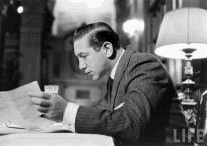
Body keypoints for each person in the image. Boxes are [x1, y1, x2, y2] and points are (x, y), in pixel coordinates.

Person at [29, 22, 194, 146]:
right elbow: (104, 116)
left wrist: (66, 110)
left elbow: (132, 124)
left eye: (84, 56)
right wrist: (53, 115)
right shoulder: (116, 75)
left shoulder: (144, 65)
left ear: (107, 49)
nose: (80, 65)